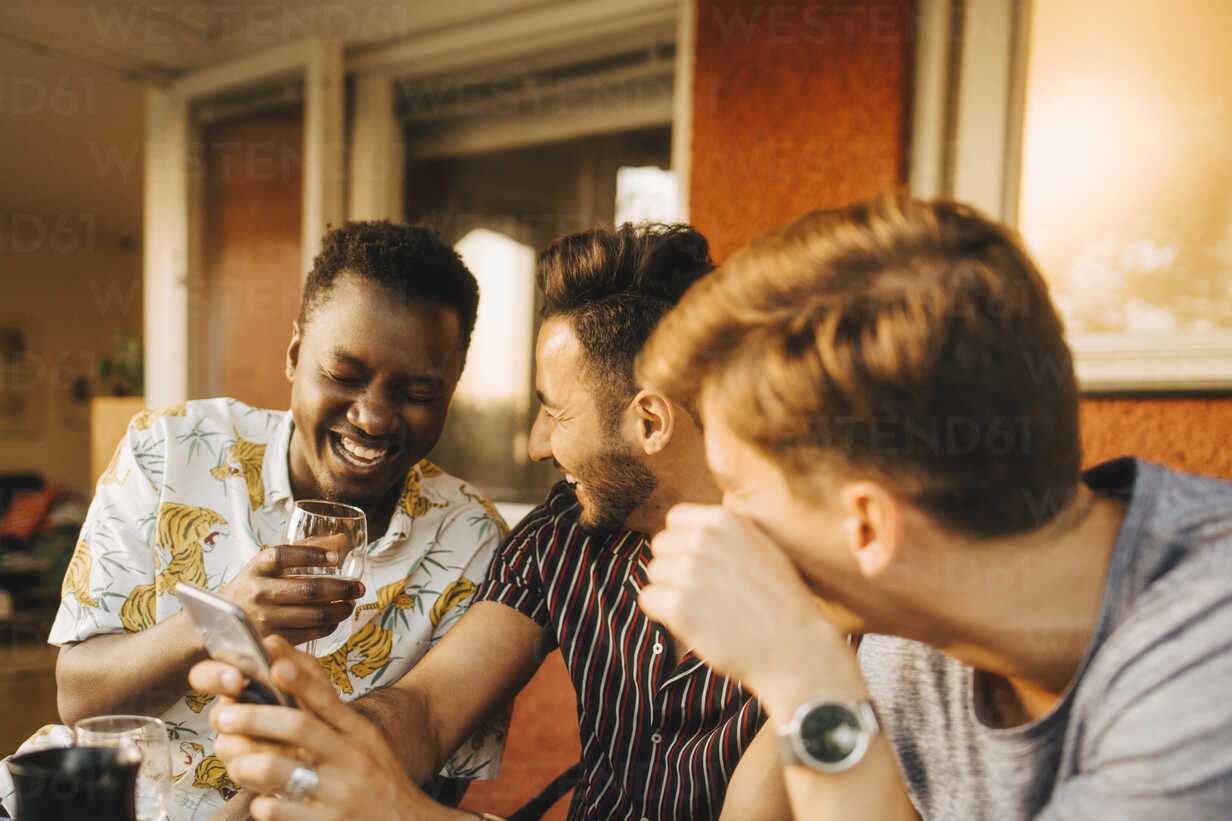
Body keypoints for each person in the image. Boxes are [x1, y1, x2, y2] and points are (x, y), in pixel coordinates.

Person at [632, 192, 1232, 819]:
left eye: (736, 489)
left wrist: (806, 682)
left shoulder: (1205, 667)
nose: (712, 522)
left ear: (867, 526)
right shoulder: (919, 632)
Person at [188, 224, 781, 820]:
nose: (535, 445)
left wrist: (397, 811)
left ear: (649, 423)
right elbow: (428, 708)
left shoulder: (826, 593)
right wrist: (326, 749)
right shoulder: (565, 535)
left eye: (555, 411)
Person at [0, 222, 508, 820]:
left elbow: (431, 788)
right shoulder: (170, 449)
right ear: (294, 355)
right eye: (344, 376)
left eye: (418, 391)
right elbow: (78, 699)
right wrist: (217, 621)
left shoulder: (469, 539)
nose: (372, 418)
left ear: (451, 389)